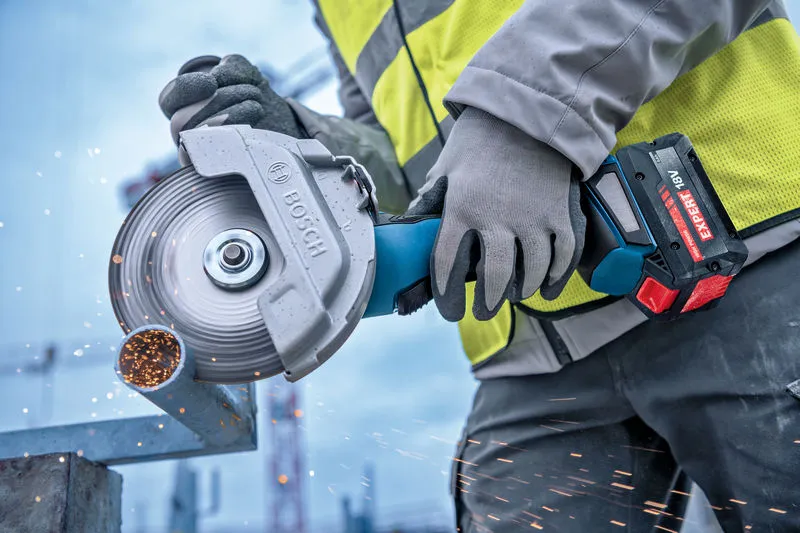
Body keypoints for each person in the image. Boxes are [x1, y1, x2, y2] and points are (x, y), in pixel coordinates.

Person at [158, 1, 800, 530]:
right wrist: (303, 152)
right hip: (530, 353)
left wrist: (523, 120)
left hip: (746, 261)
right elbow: (419, 167)